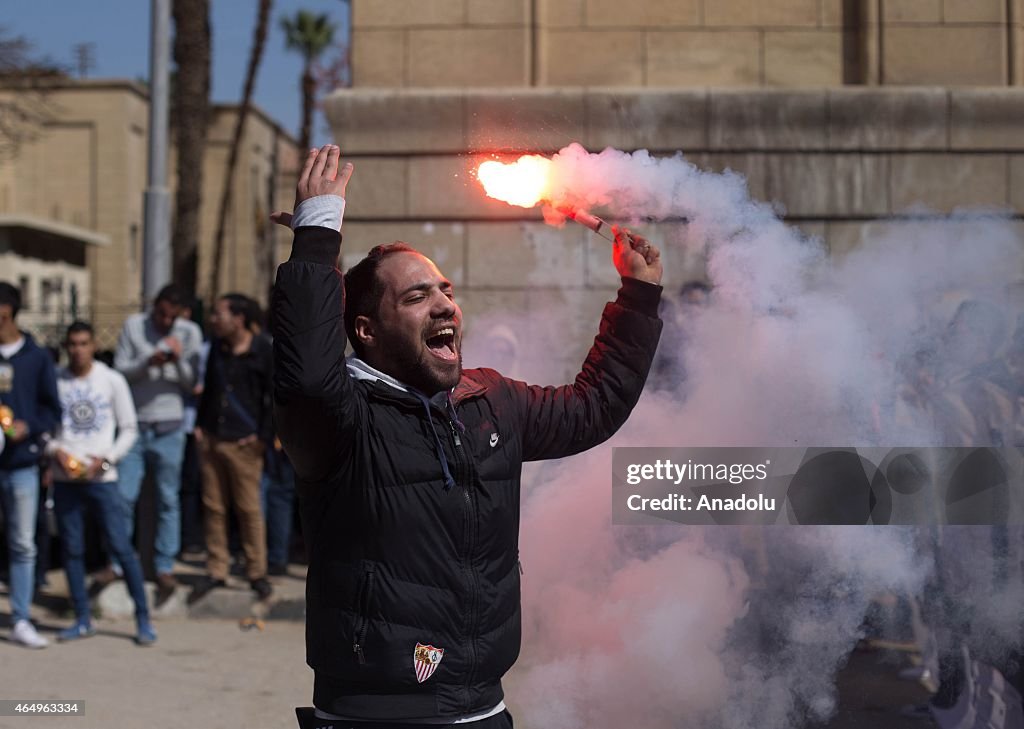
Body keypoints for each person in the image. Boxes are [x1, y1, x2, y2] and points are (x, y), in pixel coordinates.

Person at [272, 145, 663, 727]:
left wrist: (638, 297)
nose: (443, 305)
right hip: (373, 714)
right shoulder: (342, 418)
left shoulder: (490, 400)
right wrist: (318, 234)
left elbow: (593, 409)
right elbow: (306, 374)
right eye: (415, 296)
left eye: (446, 291)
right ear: (366, 331)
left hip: (483, 708)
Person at [46, 322, 157, 645]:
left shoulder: (111, 380)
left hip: (103, 478)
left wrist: (106, 459)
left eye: (83, 343)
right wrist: (57, 452)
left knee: (121, 548)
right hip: (67, 480)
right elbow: (49, 431)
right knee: (72, 549)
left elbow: (129, 429)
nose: (78, 349)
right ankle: (82, 618)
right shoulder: (56, 381)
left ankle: (142, 618)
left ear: (93, 345)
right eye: (73, 344)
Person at [112, 283, 201, 606]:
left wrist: (174, 360)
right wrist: (149, 361)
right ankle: (117, 563)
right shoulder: (134, 327)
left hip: (170, 426)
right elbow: (120, 372)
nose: (165, 321)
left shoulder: (189, 332)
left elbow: (192, 383)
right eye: (161, 314)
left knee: (167, 499)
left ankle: (164, 567)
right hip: (135, 425)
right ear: (154, 307)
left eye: (171, 317)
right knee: (123, 496)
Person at [188, 294, 274, 604]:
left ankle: (256, 572)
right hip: (212, 438)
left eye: (219, 314)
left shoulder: (263, 349)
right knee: (213, 507)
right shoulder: (217, 348)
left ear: (238, 318)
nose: (213, 319)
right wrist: (199, 425)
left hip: (244, 443)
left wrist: (262, 437)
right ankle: (217, 569)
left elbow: (274, 398)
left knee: (249, 509)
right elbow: (210, 389)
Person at [0, 281, 61, 649]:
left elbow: (52, 409)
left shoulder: (36, 358)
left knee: (22, 543)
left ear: (7, 312)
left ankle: (20, 618)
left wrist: (28, 426)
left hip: (22, 465)